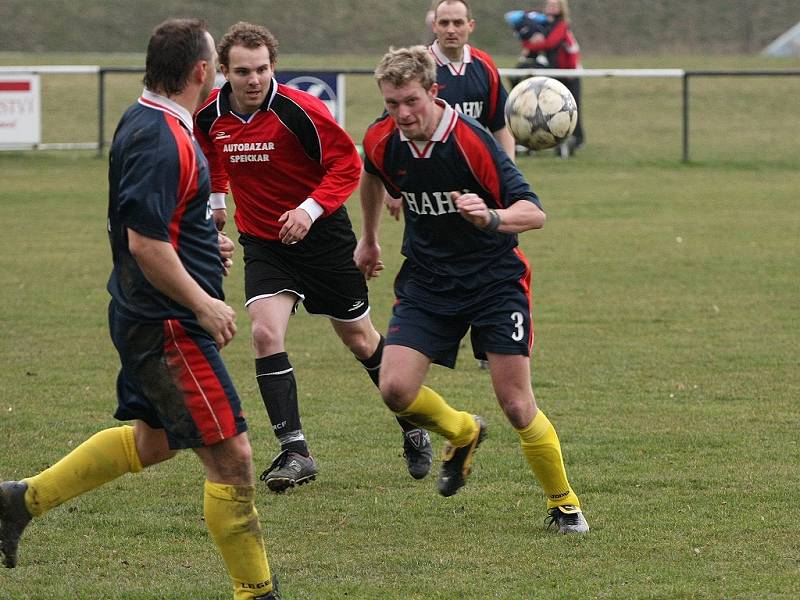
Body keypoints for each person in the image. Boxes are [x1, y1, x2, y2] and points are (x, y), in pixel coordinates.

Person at [0, 19, 280, 599]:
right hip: (168, 325)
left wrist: (204, 240)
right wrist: (203, 302)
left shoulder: (148, 118)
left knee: (153, 442)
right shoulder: (163, 138)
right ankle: (257, 594)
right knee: (233, 461)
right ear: (204, 71)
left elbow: (159, 224)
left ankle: (18, 501)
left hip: (146, 315)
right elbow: (146, 244)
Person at [354, 45, 589, 534]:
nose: (402, 113)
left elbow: (534, 212)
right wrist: (370, 238)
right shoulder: (382, 138)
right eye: (392, 103)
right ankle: (463, 433)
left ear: (434, 93)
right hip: (428, 280)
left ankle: (563, 504)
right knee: (395, 390)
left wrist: (490, 216)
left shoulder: (471, 142)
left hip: (493, 281)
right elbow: (371, 174)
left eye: (411, 102)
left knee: (517, 404)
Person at [194, 22, 433, 491]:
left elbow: (348, 163)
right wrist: (217, 204)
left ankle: (414, 424)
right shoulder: (210, 115)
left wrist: (308, 209)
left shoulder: (298, 110)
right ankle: (295, 450)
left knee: (361, 341)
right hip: (264, 242)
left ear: (273, 67)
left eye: (262, 69)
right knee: (265, 333)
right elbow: (211, 155)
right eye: (242, 71)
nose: (254, 79)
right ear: (224, 71)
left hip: (322, 238)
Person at [516, 0, 584, 153]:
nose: (551, 8)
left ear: (561, 9)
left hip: (570, 72)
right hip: (555, 71)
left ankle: (577, 140)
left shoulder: (562, 25)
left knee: (573, 108)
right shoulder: (544, 25)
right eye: (549, 5)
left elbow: (550, 44)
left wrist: (528, 46)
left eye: (555, 5)